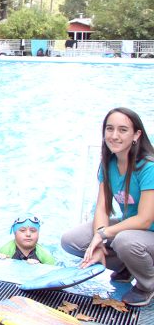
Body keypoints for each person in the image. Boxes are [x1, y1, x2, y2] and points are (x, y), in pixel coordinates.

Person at [62, 108, 154, 307]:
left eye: (122, 130)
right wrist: (98, 240)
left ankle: (148, 284)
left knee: (124, 241)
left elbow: (145, 219)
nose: (114, 136)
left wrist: (104, 234)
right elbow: (102, 208)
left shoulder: (148, 167)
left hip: (147, 232)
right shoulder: (109, 163)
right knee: (71, 241)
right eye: (109, 129)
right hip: (133, 230)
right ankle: (129, 266)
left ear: (136, 135)